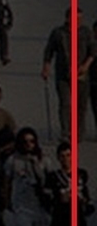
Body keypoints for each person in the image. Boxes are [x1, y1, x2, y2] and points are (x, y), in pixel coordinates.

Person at [3, 128, 52, 226]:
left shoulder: (44, 160)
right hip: (21, 207)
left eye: (32, 141)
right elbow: (6, 182)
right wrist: (7, 201)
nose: (29, 145)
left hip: (40, 208)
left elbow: (51, 181)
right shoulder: (13, 160)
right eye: (25, 142)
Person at [43, 8, 94, 141]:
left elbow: (93, 52)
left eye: (80, 19)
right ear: (67, 18)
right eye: (75, 18)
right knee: (65, 103)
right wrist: (46, 67)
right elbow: (49, 51)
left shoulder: (86, 32)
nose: (78, 21)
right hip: (63, 74)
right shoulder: (58, 33)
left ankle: (78, 132)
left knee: (80, 105)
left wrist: (85, 66)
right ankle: (66, 132)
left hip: (81, 75)